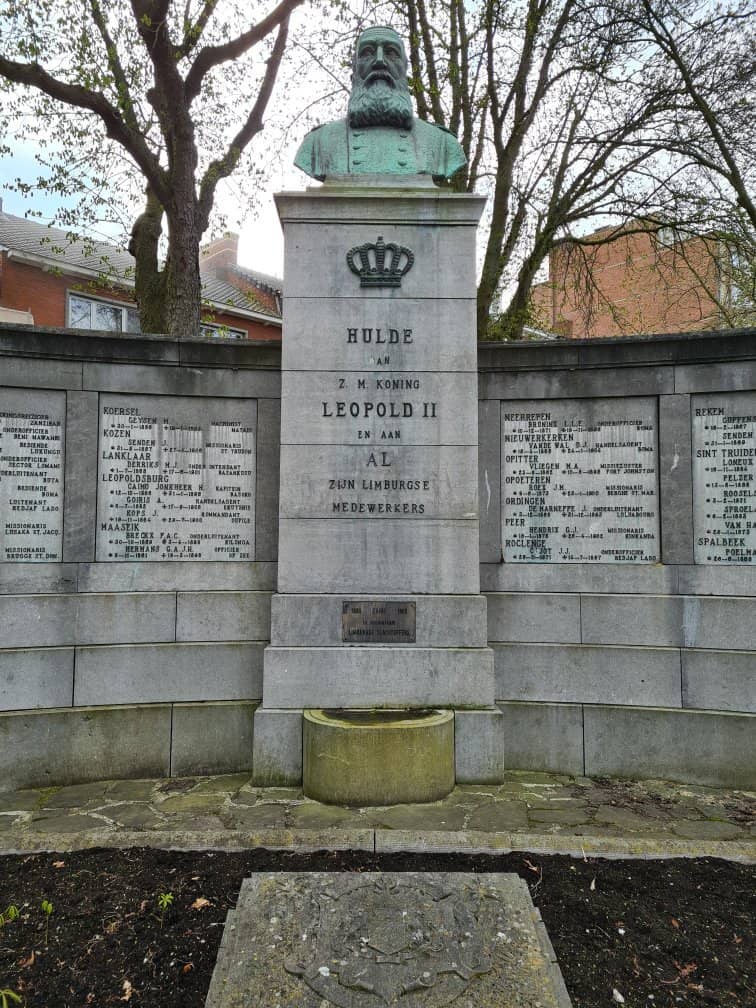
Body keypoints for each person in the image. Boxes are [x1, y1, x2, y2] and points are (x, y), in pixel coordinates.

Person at [294, 25, 465, 184]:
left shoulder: (443, 144)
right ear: (354, 69)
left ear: (405, 69)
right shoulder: (318, 143)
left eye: (391, 52)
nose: (379, 61)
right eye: (367, 52)